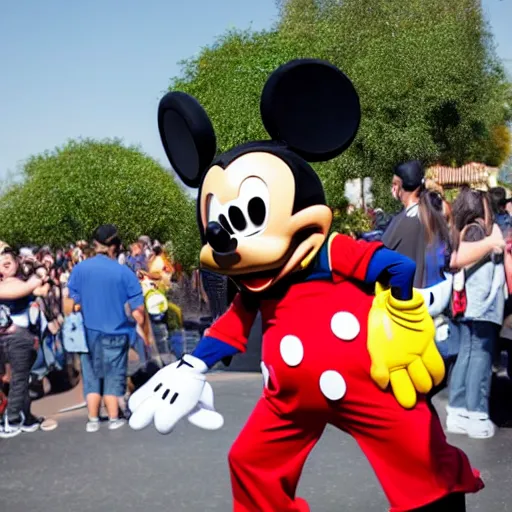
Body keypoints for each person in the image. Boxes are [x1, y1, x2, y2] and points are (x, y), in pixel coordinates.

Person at [129, 59, 482, 512]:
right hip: (290, 400)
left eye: (249, 215)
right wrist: (192, 365)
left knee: (420, 454)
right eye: (219, 224)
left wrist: (402, 318)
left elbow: (392, 267)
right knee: (250, 462)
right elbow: (232, 327)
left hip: (365, 382)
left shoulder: (330, 251)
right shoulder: (257, 287)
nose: (228, 237)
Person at [65, 224, 147, 432]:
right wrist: (146, 337)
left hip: (87, 334)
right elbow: (138, 311)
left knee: (91, 377)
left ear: (95, 245)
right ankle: (113, 418)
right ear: (115, 246)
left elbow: (69, 304)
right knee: (113, 376)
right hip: (116, 332)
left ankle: (93, 419)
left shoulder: (80, 270)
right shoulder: (123, 272)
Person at [446, 188, 505, 439]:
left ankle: (458, 409)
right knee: (480, 355)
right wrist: (494, 243)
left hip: (468, 303)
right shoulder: (480, 230)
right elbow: (457, 259)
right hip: (482, 302)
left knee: (467, 354)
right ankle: (476, 413)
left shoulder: (463, 230)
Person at [0, 243, 50, 438]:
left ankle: (25, 416)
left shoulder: (17, 281)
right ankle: (11, 419)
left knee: (21, 379)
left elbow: (40, 288)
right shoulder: (8, 286)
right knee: (17, 380)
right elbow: (28, 287)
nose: (5, 267)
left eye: (7, 263)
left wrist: (37, 267)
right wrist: (39, 269)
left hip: (20, 337)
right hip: (12, 338)